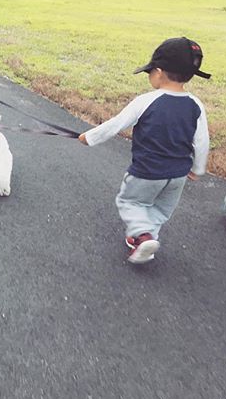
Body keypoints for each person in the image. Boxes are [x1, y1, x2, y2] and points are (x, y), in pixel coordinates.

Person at [79, 37, 210, 264]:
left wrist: (88, 137)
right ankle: (147, 239)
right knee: (160, 209)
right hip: (178, 175)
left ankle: (142, 235)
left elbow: (116, 124)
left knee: (130, 202)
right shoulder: (196, 104)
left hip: (146, 172)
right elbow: (201, 141)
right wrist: (197, 169)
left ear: (159, 72)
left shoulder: (146, 101)